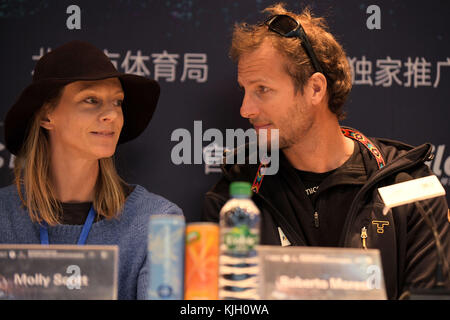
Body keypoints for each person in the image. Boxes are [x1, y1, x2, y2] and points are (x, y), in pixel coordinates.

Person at [202, 4, 450, 299]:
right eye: (244, 89)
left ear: (315, 89)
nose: (245, 109)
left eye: (262, 89)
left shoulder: (410, 186)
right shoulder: (234, 198)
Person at [0, 40, 183, 299]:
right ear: (46, 116)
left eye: (117, 102)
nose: (111, 115)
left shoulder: (159, 222)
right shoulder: (3, 217)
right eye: (91, 100)